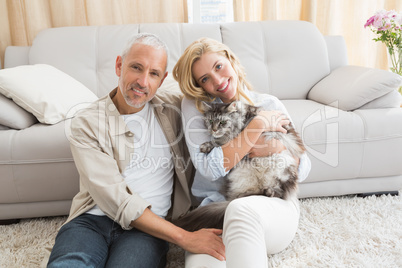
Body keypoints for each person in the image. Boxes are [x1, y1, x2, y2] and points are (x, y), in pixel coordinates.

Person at [47, 33, 225, 267]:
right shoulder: (87, 123)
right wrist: (185, 237)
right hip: (91, 221)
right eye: (136, 67)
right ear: (119, 65)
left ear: (162, 81)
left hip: (148, 232)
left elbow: (222, 95)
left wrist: (264, 124)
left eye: (153, 74)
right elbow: (116, 199)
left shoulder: (173, 108)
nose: (143, 82)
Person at [172, 37, 311, 268]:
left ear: (231, 59)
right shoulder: (200, 109)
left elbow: (303, 166)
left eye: (219, 66)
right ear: (199, 86)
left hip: (273, 206)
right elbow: (209, 169)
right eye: (205, 78)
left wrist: (276, 146)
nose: (217, 80)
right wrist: (256, 128)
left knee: (240, 208)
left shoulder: (269, 103)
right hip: (217, 210)